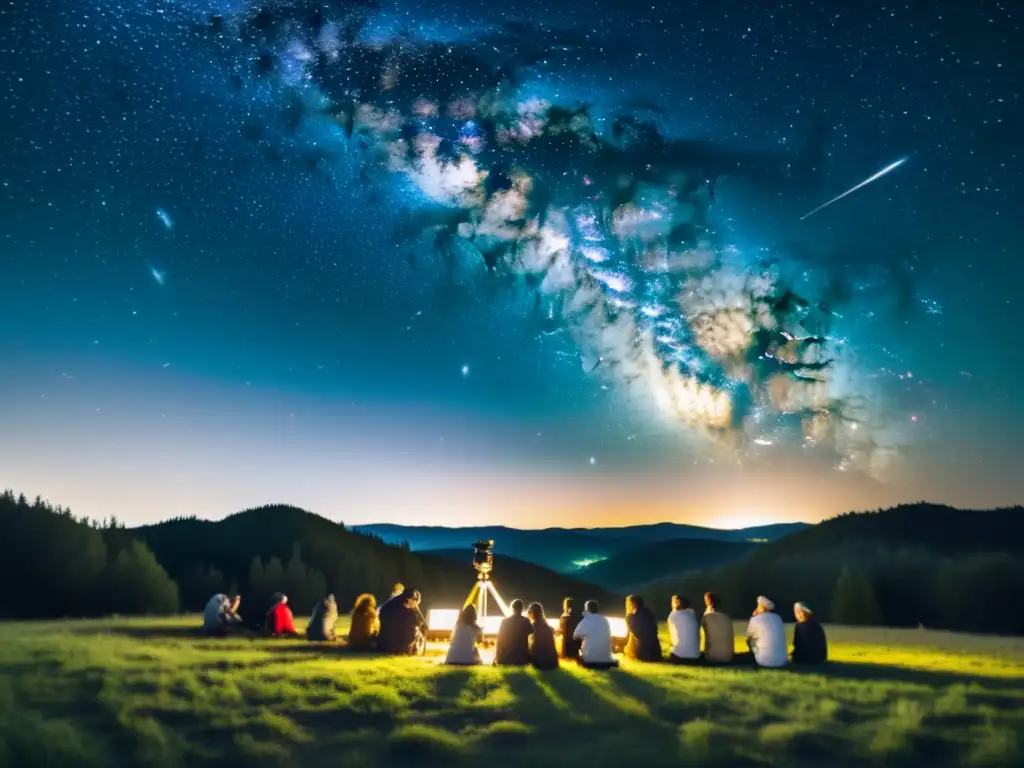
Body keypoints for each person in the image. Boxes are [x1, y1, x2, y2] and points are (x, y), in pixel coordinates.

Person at [741, 595, 788, 668]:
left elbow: (747, 639)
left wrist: (754, 617)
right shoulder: (778, 618)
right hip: (782, 660)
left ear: (762, 607)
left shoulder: (755, 619)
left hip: (763, 661)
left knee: (752, 644)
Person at [377, 588, 426, 655]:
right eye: (414, 600)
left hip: (387, 643)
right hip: (393, 643)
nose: (414, 604)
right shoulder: (397, 609)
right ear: (408, 599)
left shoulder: (393, 604)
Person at [573, 600, 618, 669]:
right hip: (606, 661)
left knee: (578, 642)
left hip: (589, 661)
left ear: (587, 609)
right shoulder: (604, 619)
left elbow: (575, 636)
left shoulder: (586, 620)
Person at [494, 599, 533, 666]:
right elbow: (531, 638)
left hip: (508, 657)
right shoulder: (526, 621)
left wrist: (498, 657)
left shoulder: (505, 621)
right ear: (522, 609)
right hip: (522, 657)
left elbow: (500, 640)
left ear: (512, 608)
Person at [624, 595, 662, 662]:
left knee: (625, 647)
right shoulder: (649, 613)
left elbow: (637, 635)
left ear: (633, 604)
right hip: (656, 653)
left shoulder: (630, 617)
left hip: (643, 654)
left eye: (628, 604)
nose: (626, 607)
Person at [701, 592, 734, 664]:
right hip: (728, 657)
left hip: (711, 657)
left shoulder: (706, 617)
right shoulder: (727, 618)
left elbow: (704, 638)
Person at [667, 595, 700, 663]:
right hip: (695, 657)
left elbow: (672, 637)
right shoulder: (692, 614)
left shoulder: (672, 616)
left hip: (679, 657)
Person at [527, 602, 559, 671]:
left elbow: (533, 647)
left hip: (540, 663)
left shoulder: (532, 626)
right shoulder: (548, 627)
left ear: (531, 613)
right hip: (553, 662)